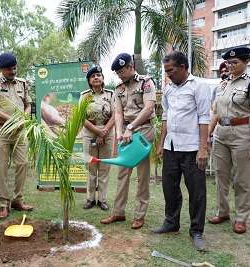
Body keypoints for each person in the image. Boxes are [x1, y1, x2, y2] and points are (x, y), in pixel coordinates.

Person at [152, 51, 210, 251]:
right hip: (171, 147)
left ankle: (196, 231)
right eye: (166, 71)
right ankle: (171, 222)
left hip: (192, 148)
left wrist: (203, 148)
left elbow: (204, 118)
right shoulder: (168, 90)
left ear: (184, 67)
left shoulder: (199, 86)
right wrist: (161, 143)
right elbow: (166, 117)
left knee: (196, 191)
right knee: (169, 187)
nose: (168, 74)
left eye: (171, 70)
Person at [207, 47, 250, 234]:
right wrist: (208, 134)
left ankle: (241, 217)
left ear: (246, 62)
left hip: (242, 133)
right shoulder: (223, 84)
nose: (230, 66)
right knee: (221, 176)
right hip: (221, 133)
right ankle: (222, 212)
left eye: (235, 62)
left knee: (242, 179)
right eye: (228, 63)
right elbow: (215, 112)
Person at [100, 53, 156, 229]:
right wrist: (119, 132)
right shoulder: (119, 88)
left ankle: (140, 215)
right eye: (117, 73)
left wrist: (130, 128)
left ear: (131, 67)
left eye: (122, 71)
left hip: (142, 130)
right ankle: (118, 212)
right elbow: (118, 112)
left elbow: (149, 108)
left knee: (142, 175)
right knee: (123, 172)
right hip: (125, 132)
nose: (120, 75)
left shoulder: (146, 82)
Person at [0, 52, 33, 219]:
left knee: (23, 163)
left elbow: (28, 104)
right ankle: (3, 204)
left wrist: (25, 116)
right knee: (1, 167)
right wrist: (12, 120)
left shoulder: (23, 83)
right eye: (9, 69)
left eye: (15, 68)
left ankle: (18, 200)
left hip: (19, 131)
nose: (13, 71)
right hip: (0, 131)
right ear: (1, 69)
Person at [80, 66, 115, 211]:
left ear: (102, 78)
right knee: (91, 168)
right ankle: (90, 199)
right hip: (89, 135)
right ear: (89, 80)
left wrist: (104, 131)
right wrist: (97, 132)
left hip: (107, 135)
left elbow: (115, 115)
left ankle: (102, 199)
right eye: (93, 76)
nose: (96, 77)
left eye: (99, 75)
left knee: (104, 168)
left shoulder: (111, 95)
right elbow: (81, 117)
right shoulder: (84, 96)